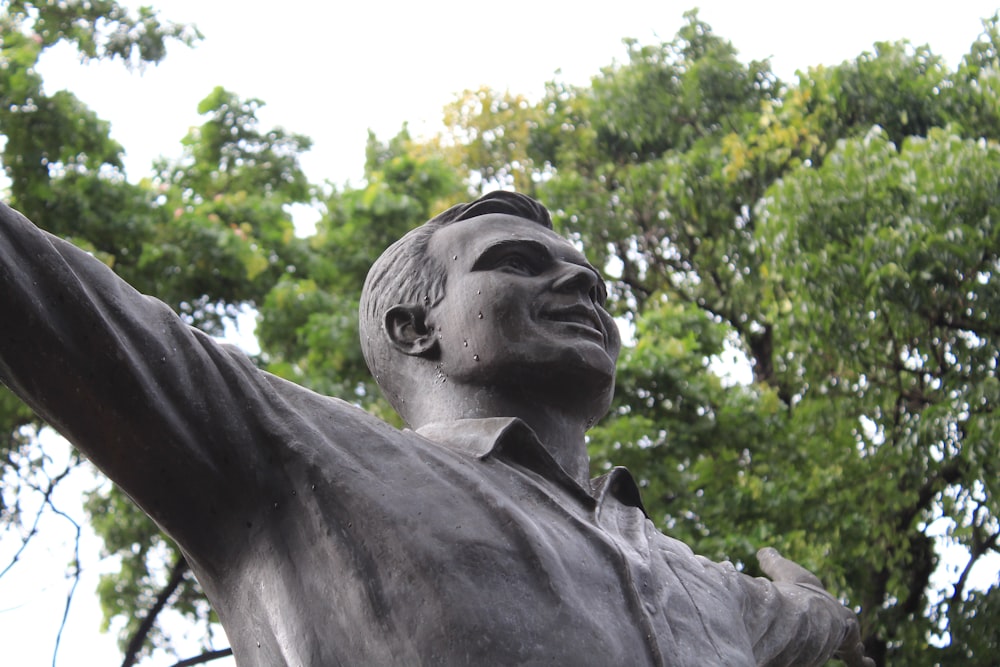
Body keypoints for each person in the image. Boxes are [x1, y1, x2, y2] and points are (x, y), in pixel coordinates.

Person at [0, 192, 871, 666]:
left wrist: (819, 612)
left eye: (592, 279)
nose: (580, 286)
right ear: (417, 329)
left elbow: (802, 616)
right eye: (519, 264)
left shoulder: (706, 589)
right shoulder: (303, 455)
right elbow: (52, 300)